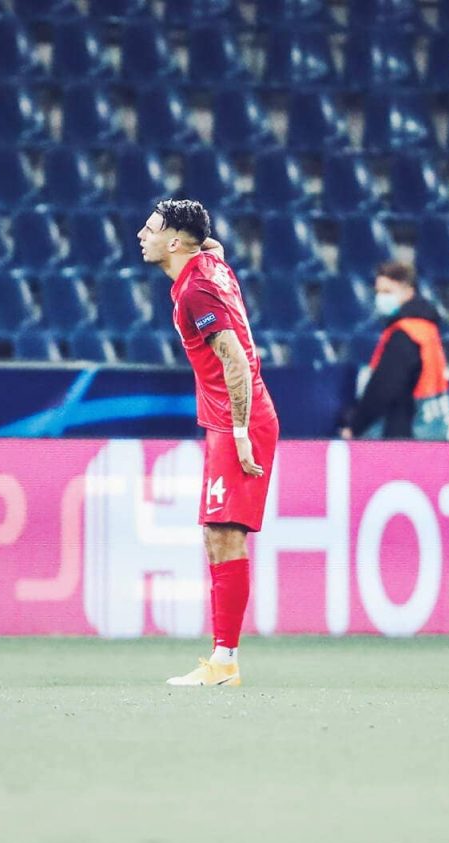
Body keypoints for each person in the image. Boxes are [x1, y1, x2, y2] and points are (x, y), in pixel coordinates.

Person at [138, 199, 279, 687]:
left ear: (175, 242)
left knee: (226, 534)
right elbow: (211, 244)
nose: (141, 235)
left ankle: (225, 661)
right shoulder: (208, 263)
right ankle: (223, 659)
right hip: (229, 419)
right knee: (215, 533)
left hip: (239, 420)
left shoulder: (196, 292)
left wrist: (240, 434)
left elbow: (234, 360)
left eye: (152, 229)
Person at [339, 260, 449, 441]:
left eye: (387, 292)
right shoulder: (426, 328)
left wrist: (356, 425)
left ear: (408, 292)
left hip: (408, 432)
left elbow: (384, 387)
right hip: (433, 427)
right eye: (378, 292)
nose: (381, 298)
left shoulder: (405, 333)